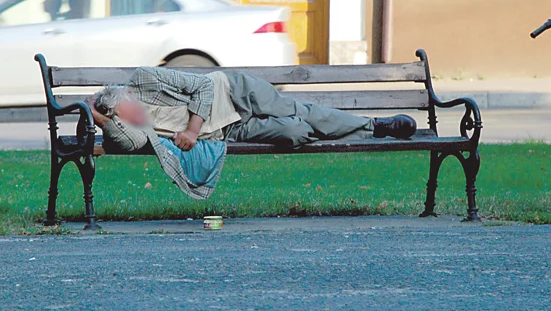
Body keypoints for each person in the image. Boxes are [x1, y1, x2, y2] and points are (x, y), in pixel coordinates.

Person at [88, 67, 416, 199]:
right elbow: (128, 142)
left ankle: (375, 126)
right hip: (233, 130)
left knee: (298, 113)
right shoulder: (136, 127)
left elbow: (202, 85)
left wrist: (191, 128)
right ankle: (361, 131)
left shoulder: (145, 78)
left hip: (233, 92)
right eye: (124, 117)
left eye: (130, 109)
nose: (134, 115)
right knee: (295, 133)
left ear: (127, 95)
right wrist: (100, 119)